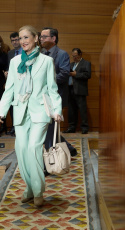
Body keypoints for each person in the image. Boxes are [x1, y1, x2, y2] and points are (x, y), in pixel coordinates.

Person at [0, 25, 62, 207]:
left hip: (40, 111)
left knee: (34, 147)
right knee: (21, 150)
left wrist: (57, 110)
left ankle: (37, 190)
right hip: (20, 111)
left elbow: (52, 89)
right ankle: (29, 187)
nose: (23, 41)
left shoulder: (46, 62)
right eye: (20, 38)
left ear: (36, 39)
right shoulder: (15, 62)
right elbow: (9, 89)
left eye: (26, 37)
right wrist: (1, 111)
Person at [40, 27, 77, 156]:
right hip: (43, 96)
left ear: (53, 38)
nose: (41, 39)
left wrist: (48, 82)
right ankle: (69, 148)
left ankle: (50, 158)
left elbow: (64, 74)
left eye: (44, 36)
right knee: (48, 127)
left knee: (50, 127)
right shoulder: (41, 54)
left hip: (56, 95)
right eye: (41, 36)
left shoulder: (61, 54)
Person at [63, 48, 91, 134]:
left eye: (76, 56)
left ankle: (84, 128)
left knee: (82, 110)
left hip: (80, 90)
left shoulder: (86, 63)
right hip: (70, 89)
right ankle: (72, 127)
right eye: (73, 56)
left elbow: (88, 75)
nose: (74, 58)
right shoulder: (71, 64)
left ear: (80, 54)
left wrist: (76, 74)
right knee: (71, 110)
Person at [4, 32, 23, 136]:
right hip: (13, 84)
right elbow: (9, 67)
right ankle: (14, 127)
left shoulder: (25, 51)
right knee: (12, 106)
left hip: (24, 83)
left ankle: (19, 127)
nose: (15, 42)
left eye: (16, 40)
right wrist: (7, 72)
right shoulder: (10, 53)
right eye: (12, 40)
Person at [0, 36, 10, 135]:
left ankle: (3, 126)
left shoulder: (3, 53)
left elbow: (6, 66)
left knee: (1, 103)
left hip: (1, 81)